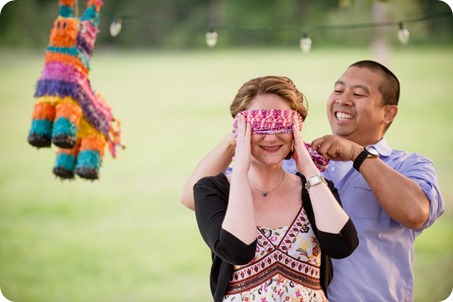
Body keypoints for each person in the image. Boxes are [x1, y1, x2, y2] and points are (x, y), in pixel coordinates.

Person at [181, 61, 445, 302]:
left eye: (358, 94)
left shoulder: (408, 165)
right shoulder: (287, 162)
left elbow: (415, 213)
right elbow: (198, 196)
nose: (343, 100)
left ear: (388, 113)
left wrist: (357, 155)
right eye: (338, 90)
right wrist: (235, 137)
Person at [192, 75, 359, 302]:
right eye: (260, 126)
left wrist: (309, 170)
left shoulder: (314, 189)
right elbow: (238, 251)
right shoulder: (212, 191)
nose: (271, 138)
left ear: (296, 129)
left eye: (281, 125)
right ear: (239, 129)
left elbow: (343, 245)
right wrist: (240, 170)